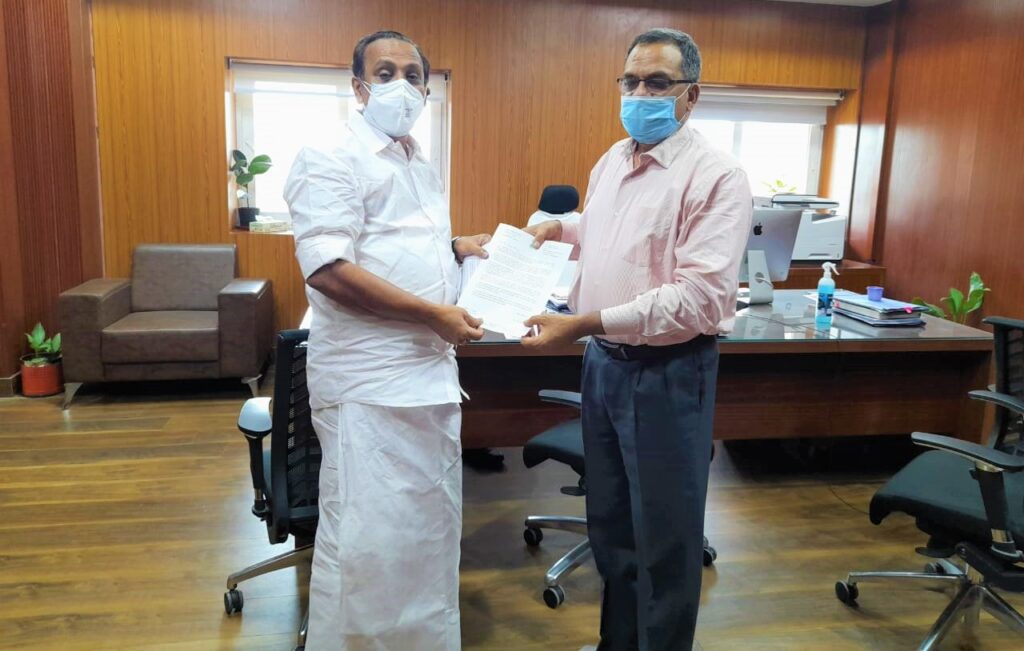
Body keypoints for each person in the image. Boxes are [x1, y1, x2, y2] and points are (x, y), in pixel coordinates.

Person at [522, 28, 753, 651]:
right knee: (612, 528)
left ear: (690, 95)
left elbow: (698, 298)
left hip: (668, 371)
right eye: (630, 81)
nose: (639, 94)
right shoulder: (612, 160)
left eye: (657, 83)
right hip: (603, 365)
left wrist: (584, 323)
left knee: (664, 540)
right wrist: (561, 230)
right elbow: (607, 230)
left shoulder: (717, 177)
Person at [283, 30, 490, 651]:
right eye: (385, 72)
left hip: (428, 377)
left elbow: (394, 245)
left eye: (413, 74)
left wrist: (455, 250)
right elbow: (328, 270)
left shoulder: (416, 160)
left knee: (425, 537)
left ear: (427, 89)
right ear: (358, 87)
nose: (401, 85)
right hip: (369, 385)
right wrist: (431, 313)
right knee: (369, 547)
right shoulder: (329, 156)